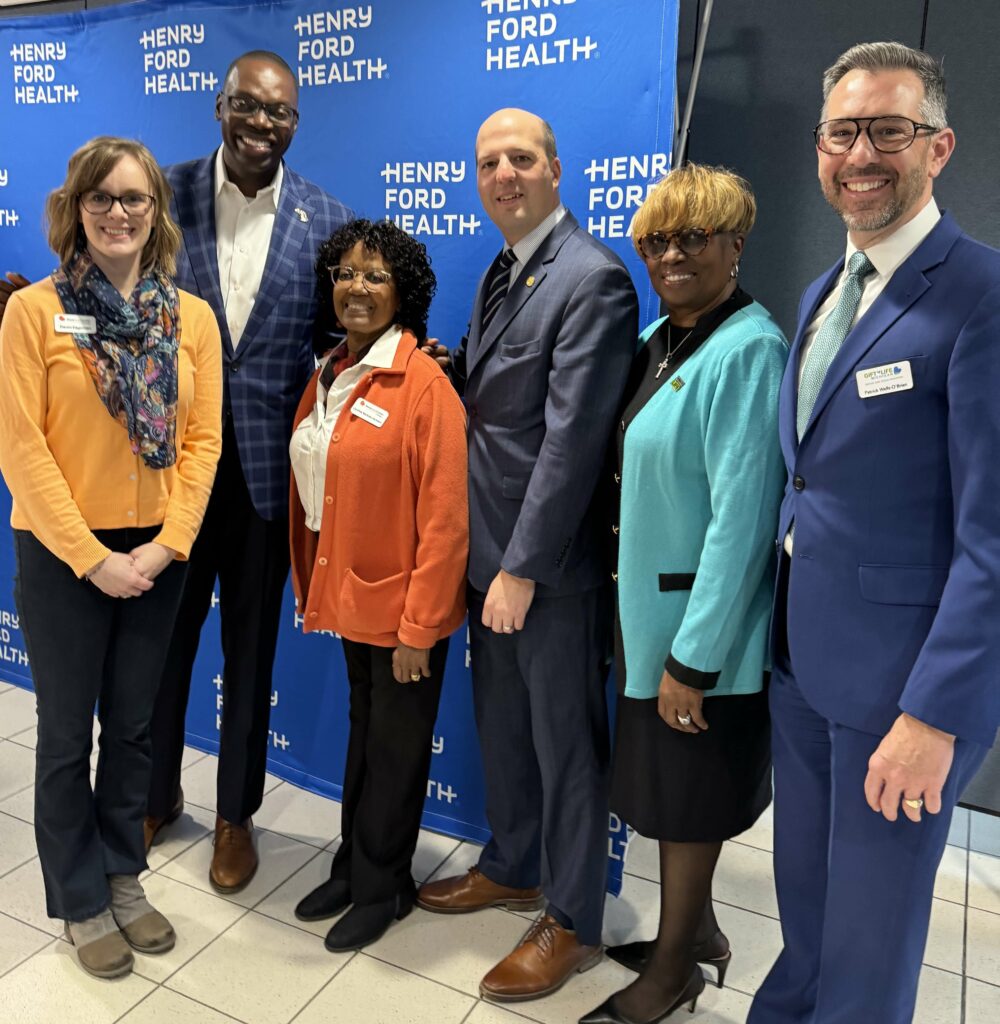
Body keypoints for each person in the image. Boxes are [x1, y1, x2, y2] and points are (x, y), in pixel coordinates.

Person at [749, 42, 1000, 1024]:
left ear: (937, 146)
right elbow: (812, 476)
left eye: (886, 130)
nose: (861, 152)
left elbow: (993, 538)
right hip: (804, 663)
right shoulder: (822, 294)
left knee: (871, 933)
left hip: (901, 691)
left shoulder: (980, 295)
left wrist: (934, 715)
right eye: (842, 131)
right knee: (806, 902)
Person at [416, 108, 638, 1003]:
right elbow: (506, 383)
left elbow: (571, 442)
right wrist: (451, 361)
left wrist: (521, 568)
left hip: (541, 569)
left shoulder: (595, 279)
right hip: (485, 552)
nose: (502, 174)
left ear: (555, 168)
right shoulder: (507, 268)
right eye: (487, 162)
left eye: (519, 158)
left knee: (564, 747)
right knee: (504, 731)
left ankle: (575, 918)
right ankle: (512, 864)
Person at [0, 137, 222, 979]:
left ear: (156, 210)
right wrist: (94, 559)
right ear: (75, 209)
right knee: (63, 737)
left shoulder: (190, 319)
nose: (118, 212)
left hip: (158, 557)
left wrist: (168, 547)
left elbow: (202, 445)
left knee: (132, 728)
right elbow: (22, 450)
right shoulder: (34, 311)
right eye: (101, 198)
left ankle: (122, 874)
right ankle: (80, 899)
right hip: (63, 556)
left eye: (133, 198)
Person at [578, 165, 787, 1024]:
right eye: (657, 240)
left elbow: (742, 522)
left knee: (691, 801)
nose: (670, 253)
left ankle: (672, 973)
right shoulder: (665, 335)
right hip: (646, 621)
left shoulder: (750, 349)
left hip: (697, 641)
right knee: (665, 794)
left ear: (735, 244)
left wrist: (691, 662)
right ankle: (695, 933)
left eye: (692, 237)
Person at [144, 50, 352, 892]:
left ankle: (235, 818)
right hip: (169, 475)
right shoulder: (161, 194)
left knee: (251, 654)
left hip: (266, 484)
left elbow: (337, 343)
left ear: (295, 123)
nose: (264, 124)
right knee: (163, 646)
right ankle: (154, 795)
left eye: (281, 113)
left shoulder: (326, 217)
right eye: (249, 107)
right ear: (219, 105)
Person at [286, 218, 468, 952]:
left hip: (402, 612)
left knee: (396, 751)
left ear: (405, 293)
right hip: (351, 594)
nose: (356, 287)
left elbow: (447, 521)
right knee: (366, 740)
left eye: (375, 275)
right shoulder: (332, 367)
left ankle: (383, 887)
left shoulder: (423, 383)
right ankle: (352, 864)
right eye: (346, 273)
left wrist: (420, 628)